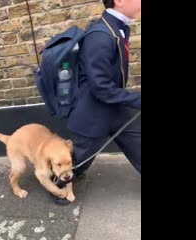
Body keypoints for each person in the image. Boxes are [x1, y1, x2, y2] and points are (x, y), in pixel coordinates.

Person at [52, 0, 141, 205]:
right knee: (78, 162)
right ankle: (58, 188)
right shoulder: (101, 36)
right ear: (119, 1)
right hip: (91, 115)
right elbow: (100, 87)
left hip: (115, 107)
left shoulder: (116, 28)